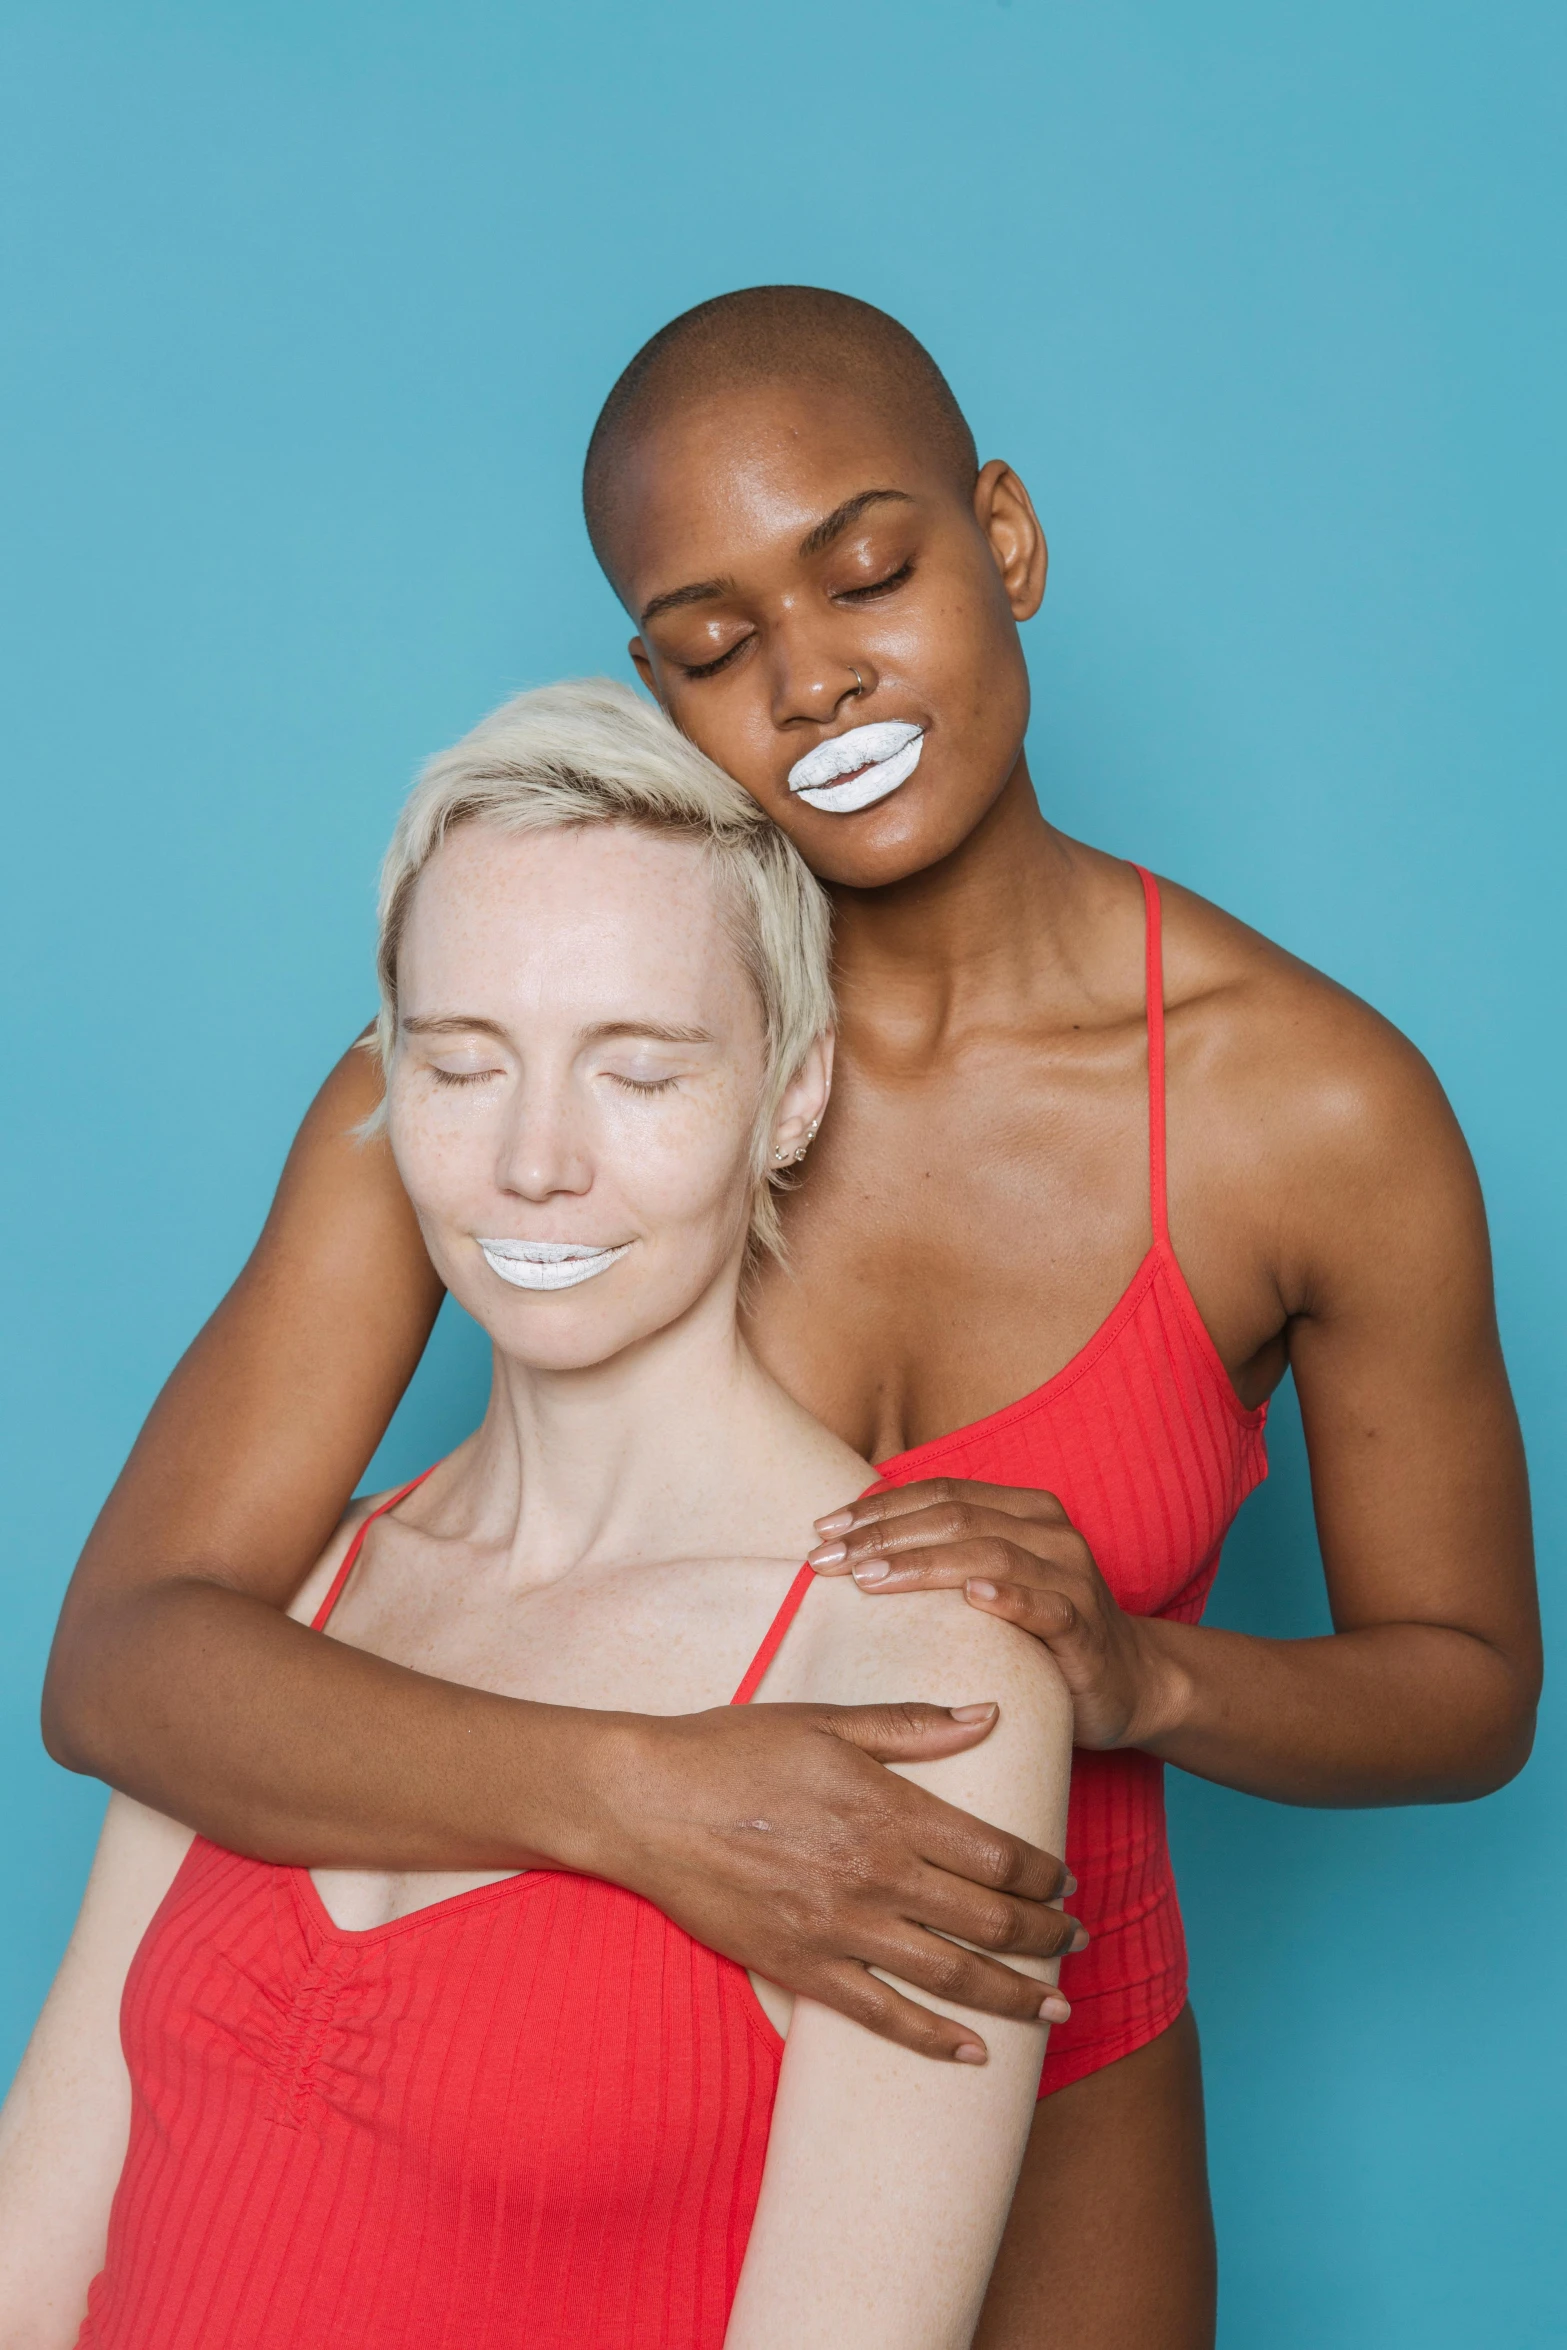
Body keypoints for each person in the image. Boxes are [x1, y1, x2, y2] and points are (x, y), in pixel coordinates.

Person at [39, 289, 1540, 2350]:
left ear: (1001, 540)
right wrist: (656, 1797)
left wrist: (1151, 1675)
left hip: (1063, 2107)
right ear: (652, 682)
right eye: (714, 642)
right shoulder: (541, 1089)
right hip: (573, 2087)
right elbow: (132, 1655)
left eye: (868, 572)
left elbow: (1468, 1686)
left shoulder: (1315, 1114)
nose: (818, 675)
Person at [0, 681, 1073, 2349]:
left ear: (788, 1094)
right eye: (461, 1061)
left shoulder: (922, 1669)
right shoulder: (276, 1592)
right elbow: (30, 2249)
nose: (533, 1161)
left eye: (637, 1070)